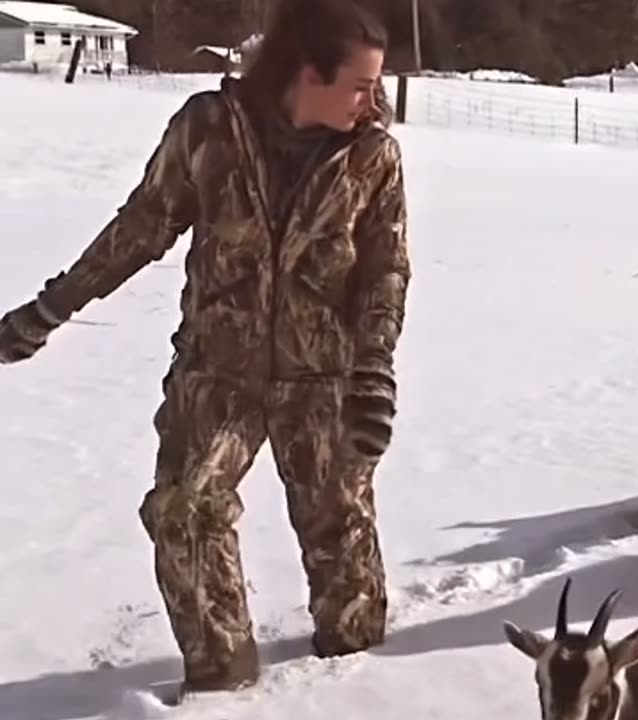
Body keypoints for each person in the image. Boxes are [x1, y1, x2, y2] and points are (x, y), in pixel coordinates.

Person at [0, 0, 410, 699]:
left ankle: (354, 687)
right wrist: (50, 309)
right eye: (360, 85)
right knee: (184, 512)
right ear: (306, 73)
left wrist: (372, 372)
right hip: (218, 374)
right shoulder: (209, 129)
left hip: (325, 382)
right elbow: (139, 230)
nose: (373, 102)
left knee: (342, 553)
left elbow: (384, 274)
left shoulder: (372, 156)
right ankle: (223, 685)